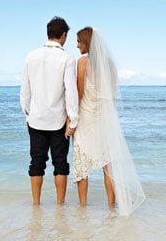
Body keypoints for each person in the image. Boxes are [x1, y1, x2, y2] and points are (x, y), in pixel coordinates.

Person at [73, 27, 145, 216]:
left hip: (86, 119)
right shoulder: (110, 65)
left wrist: (71, 120)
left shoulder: (82, 63)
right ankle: (111, 206)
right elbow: (111, 95)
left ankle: (82, 207)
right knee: (109, 166)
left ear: (87, 43)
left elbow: (79, 94)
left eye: (79, 41)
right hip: (105, 120)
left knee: (82, 167)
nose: (77, 45)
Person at [20, 16, 79, 206]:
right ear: (63, 35)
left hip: (36, 119)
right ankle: (60, 205)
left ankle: (36, 205)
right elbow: (71, 92)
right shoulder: (67, 58)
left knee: (36, 163)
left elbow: (25, 90)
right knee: (60, 164)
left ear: (48, 34)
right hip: (58, 121)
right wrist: (74, 120)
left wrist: (27, 114)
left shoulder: (31, 56)